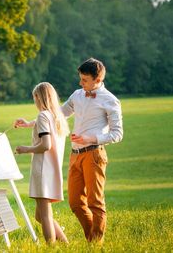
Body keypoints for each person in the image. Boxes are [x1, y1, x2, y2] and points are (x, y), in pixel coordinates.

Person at [61, 57, 123, 243]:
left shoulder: (110, 100)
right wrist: (32, 123)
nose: (80, 83)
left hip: (94, 155)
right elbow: (58, 115)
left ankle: (95, 244)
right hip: (75, 155)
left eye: (85, 80)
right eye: (80, 79)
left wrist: (92, 138)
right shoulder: (77, 95)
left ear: (98, 79)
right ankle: (93, 241)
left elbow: (117, 134)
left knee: (95, 203)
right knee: (74, 203)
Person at [14, 82, 69, 244]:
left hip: (43, 170)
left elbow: (46, 145)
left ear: (39, 97)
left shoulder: (43, 116)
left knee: (45, 215)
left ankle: (50, 247)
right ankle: (65, 244)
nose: (34, 101)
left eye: (34, 98)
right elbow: (44, 124)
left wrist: (26, 149)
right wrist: (28, 123)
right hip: (52, 170)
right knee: (40, 215)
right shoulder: (57, 116)